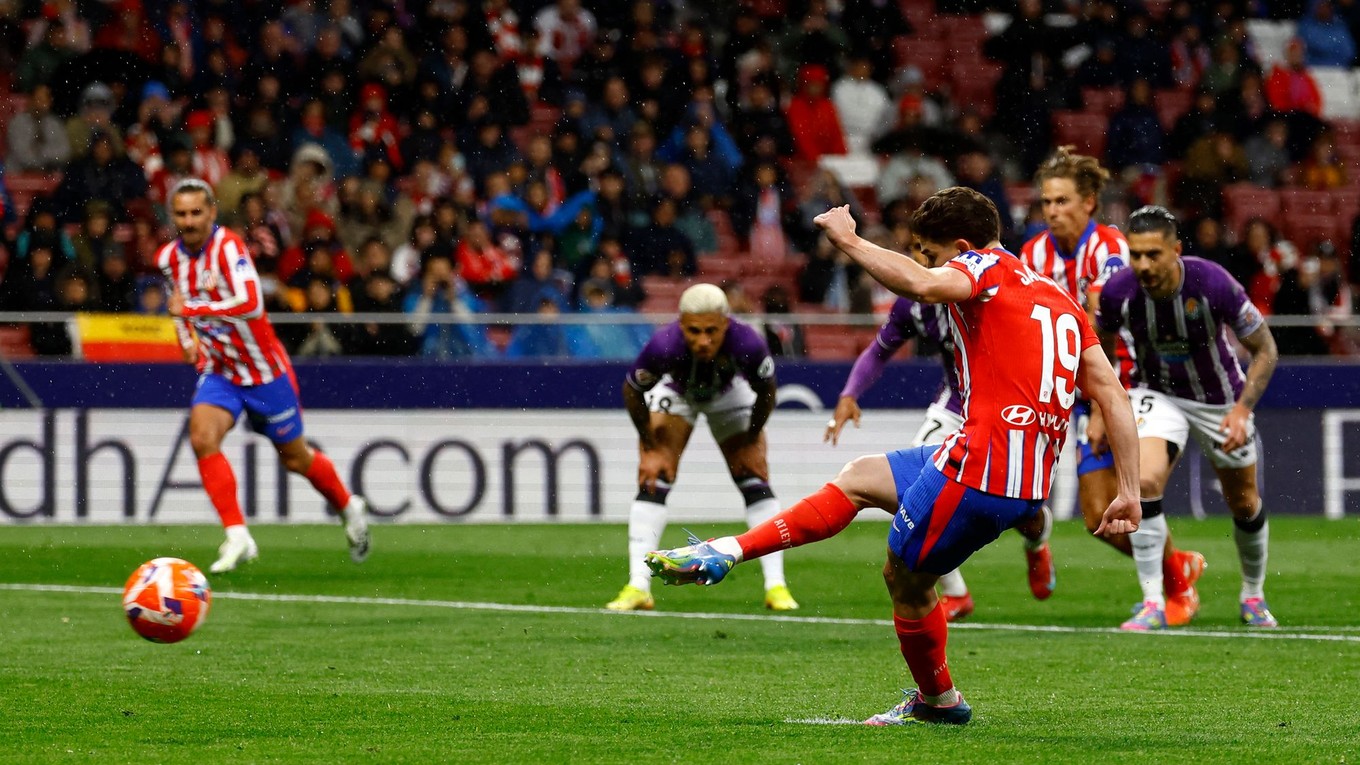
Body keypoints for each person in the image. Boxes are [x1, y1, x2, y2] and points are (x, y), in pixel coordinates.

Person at [647, 188, 1141, 725]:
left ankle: (939, 702)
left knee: (903, 578)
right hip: (1015, 474)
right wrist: (1131, 491)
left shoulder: (982, 266)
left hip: (978, 471)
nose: (924, 263)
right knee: (860, 477)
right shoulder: (1059, 300)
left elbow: (925, 285)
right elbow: (1112, 395)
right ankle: (730, 550)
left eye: (927, 251)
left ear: (959, 246)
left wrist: (851, 241)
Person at [1020, 146, 1205, 625]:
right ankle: (1176, 564)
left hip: (1122, 385)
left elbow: (1100, 324)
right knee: (1097, 519)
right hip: (1069, 394)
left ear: (1089, 202)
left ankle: (1172, 583)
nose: (1054, 211)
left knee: (1122, 502)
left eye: (1063, 201)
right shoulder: (1032, 253)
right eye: (1047, 203)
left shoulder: (1111, 248)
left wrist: (1104, 405)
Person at [158, 178, 371, 573]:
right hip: (220, 370)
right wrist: (187, 340)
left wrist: (193, 312)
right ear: (173, 215)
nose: (188, 221)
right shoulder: (168, 259)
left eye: (196, 213)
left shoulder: (230, 248)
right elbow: (176, 307)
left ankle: (348, 505)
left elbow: (251, 303)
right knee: (203, 437)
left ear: (211, 213)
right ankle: (238, 534)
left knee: (295, 458)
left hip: (263, 370)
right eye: (181, 214)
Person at [824, 258, 1054, 623]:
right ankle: (957, 593)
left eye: (934, 252)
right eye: (922, 252)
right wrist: (850, 393)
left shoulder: (995, 287)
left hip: (1008, 410)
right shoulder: (915, 304)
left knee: (1024, 511)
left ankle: (1037, 541)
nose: (929, 261)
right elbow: (879, 350)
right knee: (915, 490)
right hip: (955, 406)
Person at [1096, 206, 1280, 630]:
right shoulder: (1118, 292)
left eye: (1153, 255)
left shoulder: (1213, 282)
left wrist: (1241, 410)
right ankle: (1152, 602)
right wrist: (1105, 407)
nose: (1143, 265)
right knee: (1143, 482)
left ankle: (1253, 595)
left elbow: (1266, 350)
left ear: (1175, 250)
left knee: (1245, 503)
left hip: (1220, 400)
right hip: (1156, 393)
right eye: (1136, 254)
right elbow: (1101, 347)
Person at [605, 283, 797, 613]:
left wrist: (753, 435)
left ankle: (776, 586)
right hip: (679, 393)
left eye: (711, 331)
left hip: (728, 394)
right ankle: (638, 587)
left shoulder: (748, 342)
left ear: (726, 323)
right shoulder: (664, 345)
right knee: (654, 472)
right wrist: (649, 442)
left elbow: (767, 391)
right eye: (694, 331)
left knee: (753, 473)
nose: (703, 340)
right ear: (681, 325)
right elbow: (631, 390)